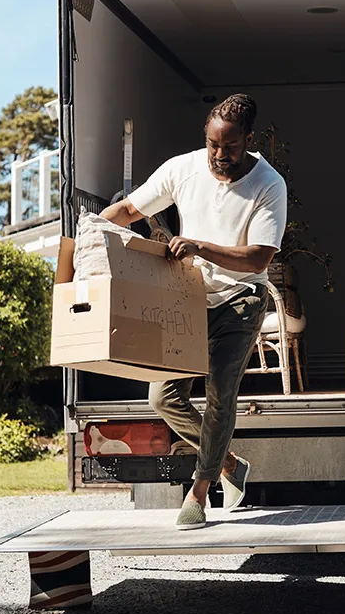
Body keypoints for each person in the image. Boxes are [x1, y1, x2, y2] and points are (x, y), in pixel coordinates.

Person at [99, 94, 287, 529]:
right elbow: (128, 210)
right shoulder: (181, 168)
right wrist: (90, 237)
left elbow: (258, 259)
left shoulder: (268, 183)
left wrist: (200, 246)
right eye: (212, 145)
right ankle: (227, 464)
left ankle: (199, 493)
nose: (220, 155)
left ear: (249, 140)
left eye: (231, 147)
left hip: (241, 300)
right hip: (190, 297)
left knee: (222, 397)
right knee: (162, 396)